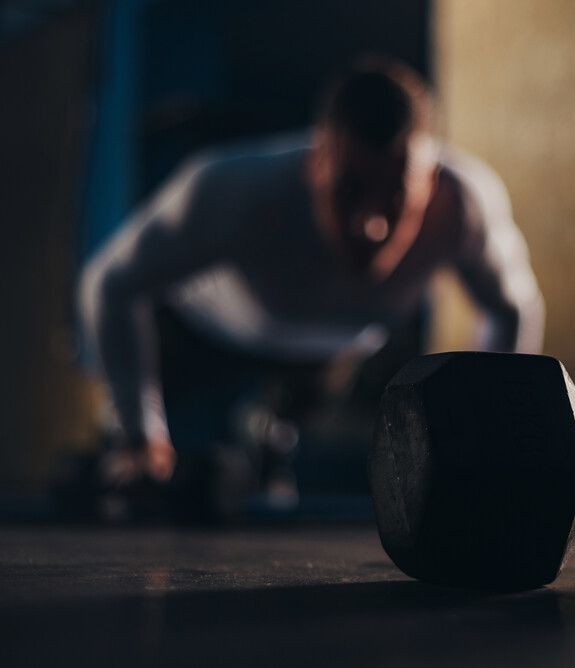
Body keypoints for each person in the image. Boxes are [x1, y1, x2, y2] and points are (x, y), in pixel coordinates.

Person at [79, 59, 544, 493]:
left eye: (395, 197)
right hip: (199, 339)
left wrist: (492, 435)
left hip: (330, 358)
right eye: (350, 191)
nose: (371, 225)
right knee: (128, 463)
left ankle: (267, 432)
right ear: (315, 164)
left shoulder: (463, 205)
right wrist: (140, 435)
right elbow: (111, 284)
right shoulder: (231, 190)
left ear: (429, 182)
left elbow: (512, 309)